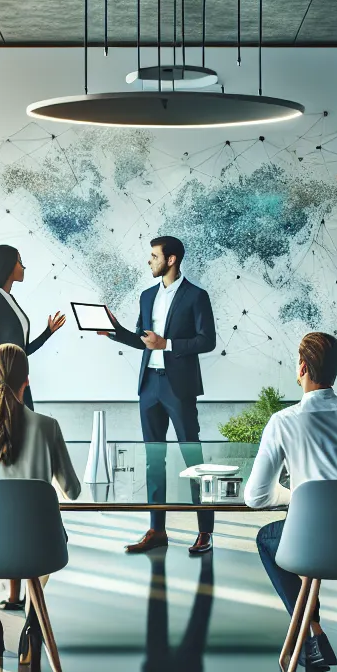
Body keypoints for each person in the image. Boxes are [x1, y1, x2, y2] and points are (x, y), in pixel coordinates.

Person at [244, 333, 337, 671]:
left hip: (311, 547)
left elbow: (257, 496)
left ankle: (311, 634)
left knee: (266, 538)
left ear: (302, 367)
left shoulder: (283, 422)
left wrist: (301, 497)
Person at [98, 235, 218, 555]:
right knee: (154, 460)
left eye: (154, 256)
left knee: (193, 458)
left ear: (172, 259)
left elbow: (208, 341)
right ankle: (157, 530)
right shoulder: (146, 296)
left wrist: (169, 344)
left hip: (179, 387)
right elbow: (143, 339)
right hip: (149, 385)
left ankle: (205, 532)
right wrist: (115, 331)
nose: (150, 261)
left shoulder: (196, 296)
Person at [0, 344, 82, 610]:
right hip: (39, 548)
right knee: (54, 534)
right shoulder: (48, 426)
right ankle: (33, 624)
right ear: (27, 380)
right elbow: (72, 491)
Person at [0, 244, 65, 410]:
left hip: (21, 384)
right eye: (19, 261)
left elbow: (21, 352)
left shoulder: (10, 300)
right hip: (1, 388)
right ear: (7, 265)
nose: (23, 266)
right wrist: (7, 365)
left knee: (28, 432)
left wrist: (48, 332)